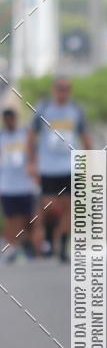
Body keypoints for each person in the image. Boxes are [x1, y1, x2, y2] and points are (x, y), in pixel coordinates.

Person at [26, 76, 92, 263]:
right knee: (50, 206)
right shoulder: (44, 108)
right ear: (54, 89)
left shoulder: (76, 110)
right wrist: (31, 162)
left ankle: (63, 244)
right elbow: (31, 135)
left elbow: (85, 136)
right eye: (59, 88)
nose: (63, 92)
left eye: (66, 88)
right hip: (48, 167)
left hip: (71, 166)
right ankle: (49, 234)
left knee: (71, 207)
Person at [0, 108, 41, 261]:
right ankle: (12, 247)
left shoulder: (25, 135)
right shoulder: (2, 137)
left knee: (29, 218)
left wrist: (36, 173)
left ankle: (31, 246)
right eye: (7, 120)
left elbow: (34, 155)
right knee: (11, 218)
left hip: (26, 185)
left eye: (11, 119)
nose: (9, 122)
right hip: (7, 186)